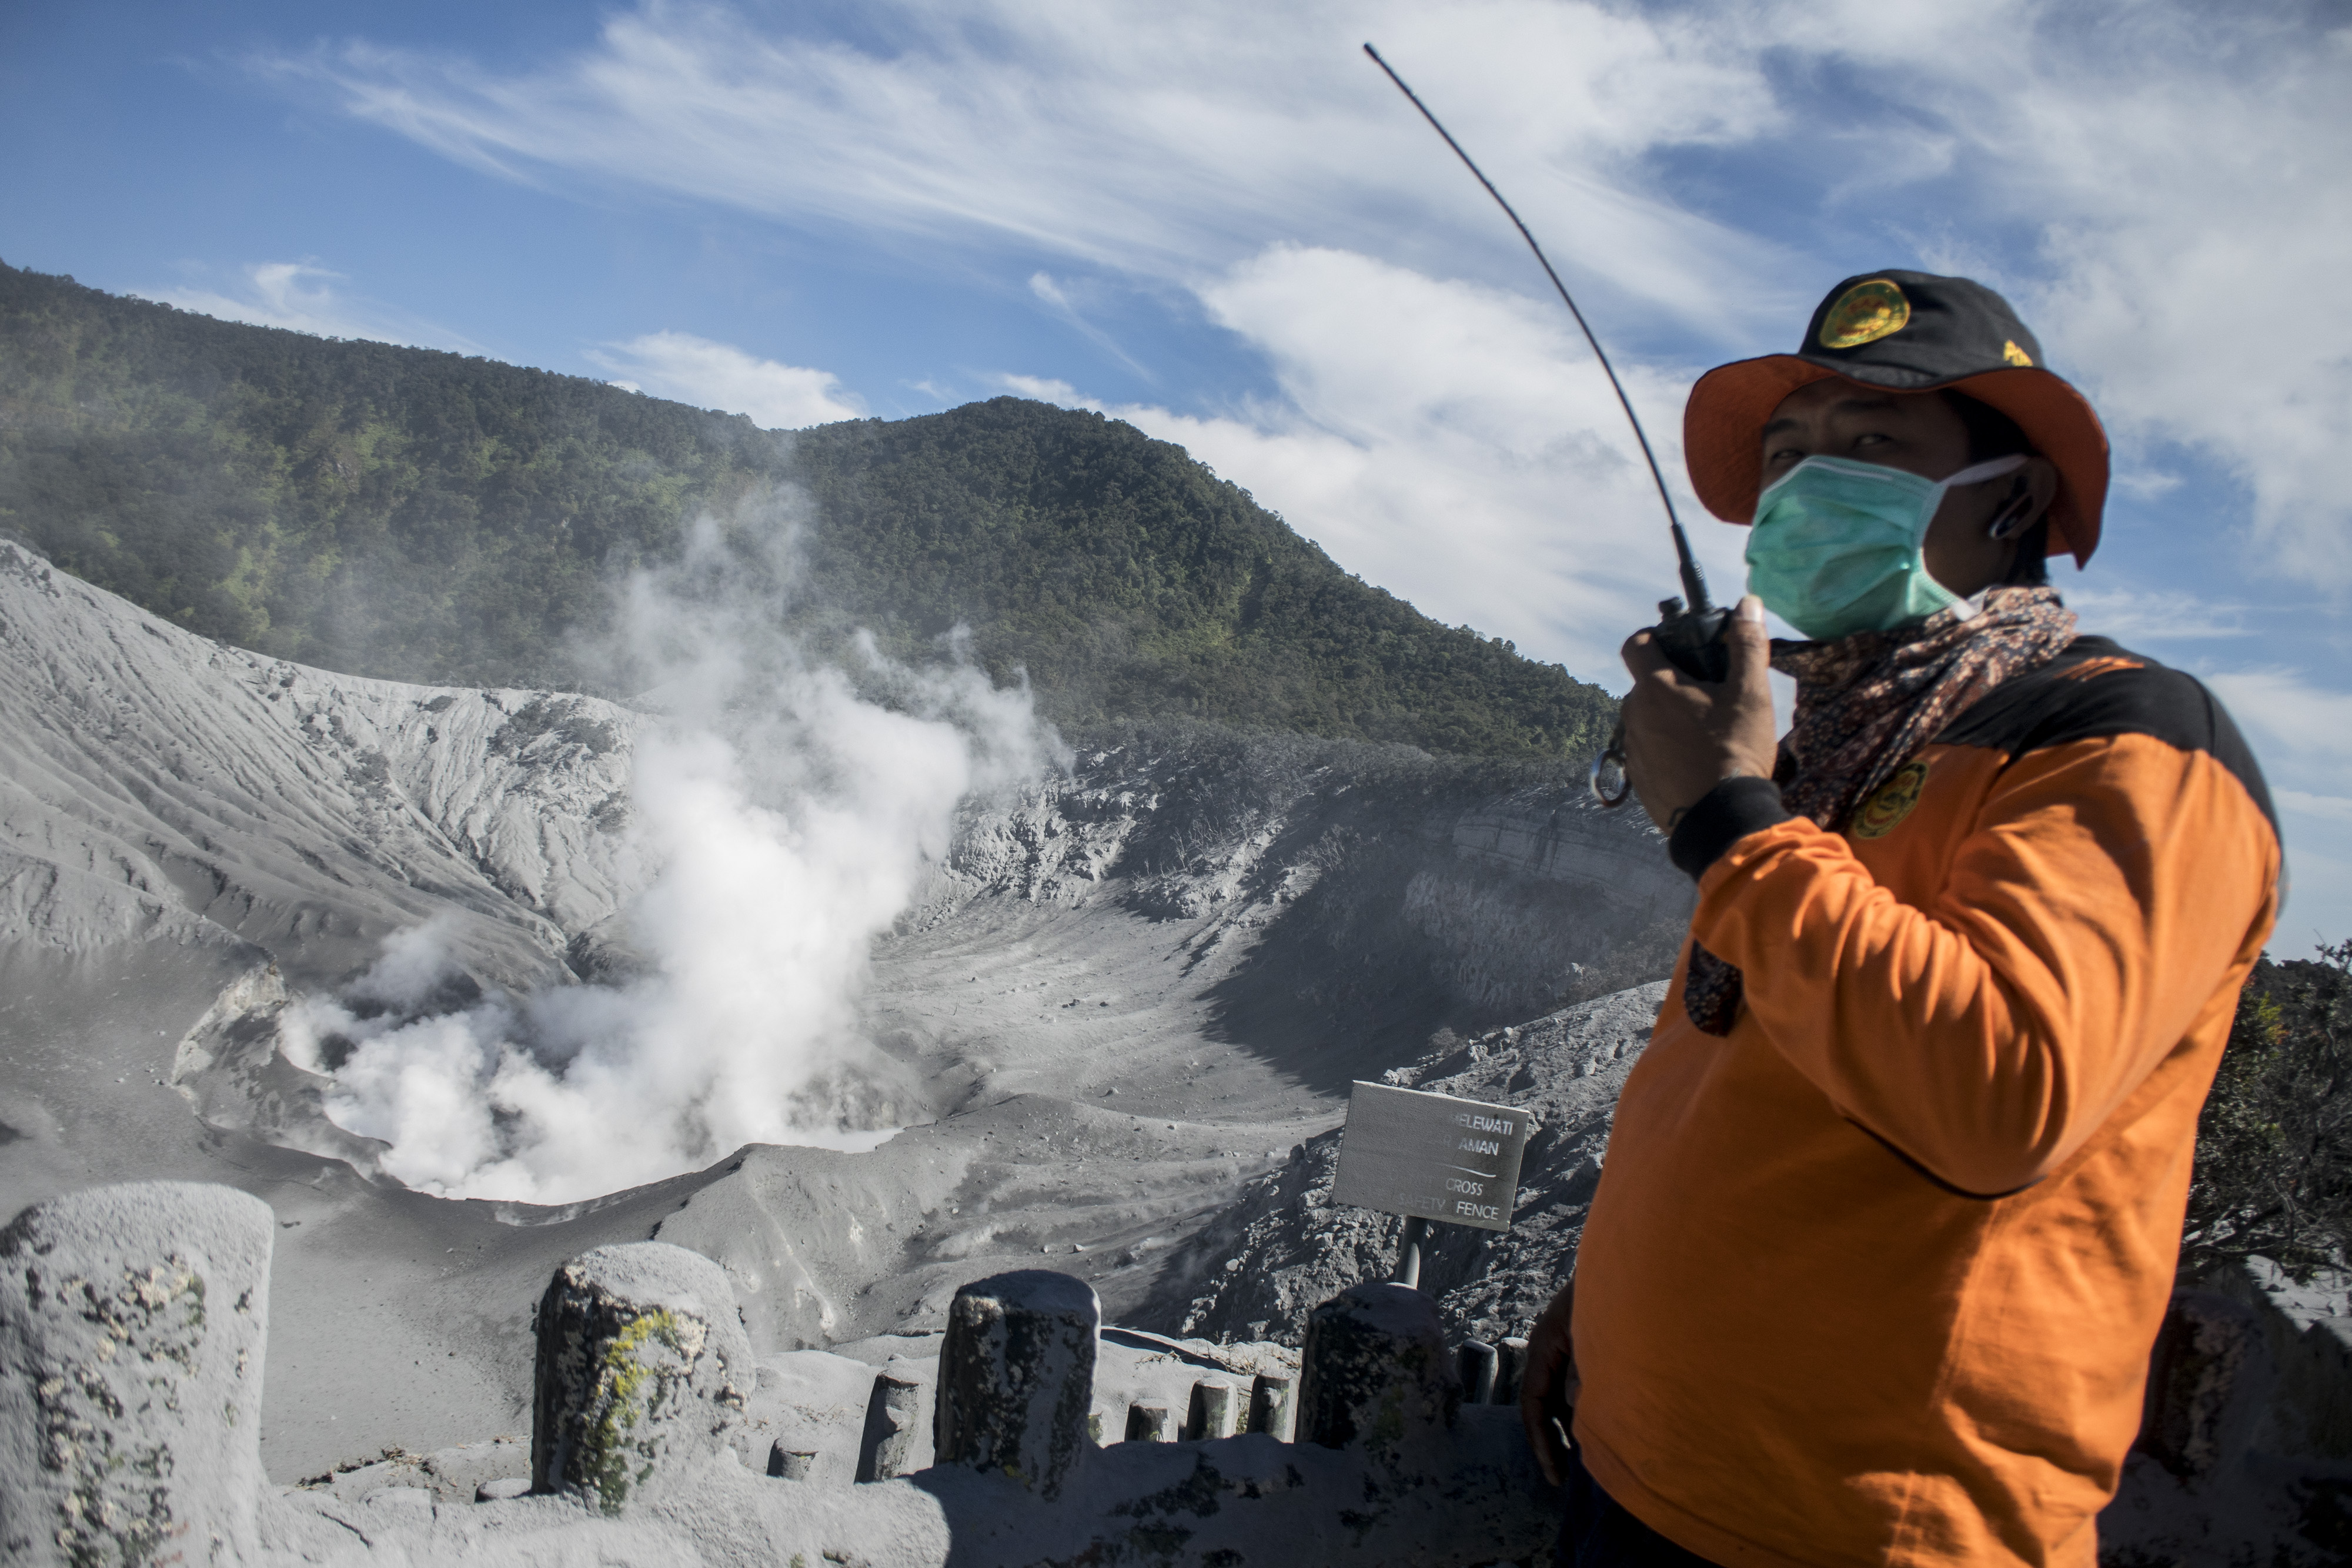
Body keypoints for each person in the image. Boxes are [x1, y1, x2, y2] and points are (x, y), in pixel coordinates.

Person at [1518, 270, 2281, 1567]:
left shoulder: (2123, 741)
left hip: (1869, 1530)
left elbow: (1996, 1095)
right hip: (1647, 1474)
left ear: (2014, 498)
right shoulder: (1834, 747)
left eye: (1873, 442)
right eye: (1786, 451)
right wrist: (1601, 1307)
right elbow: (1753, 1074)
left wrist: (1726, 820)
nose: (1808, 480)